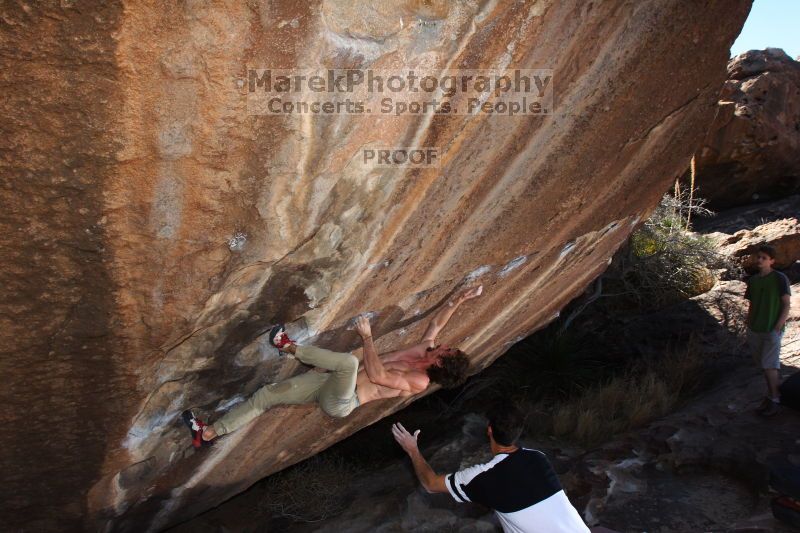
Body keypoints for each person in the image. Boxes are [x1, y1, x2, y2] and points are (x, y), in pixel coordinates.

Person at [182, 285, 483, 448]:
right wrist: (459, 298)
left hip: (343, 400)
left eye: (446, 349)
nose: (443, 344)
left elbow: (377, 374)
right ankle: (208, 433)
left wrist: (367, 338)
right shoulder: (426, 349)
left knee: (349, 362)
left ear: (440, 361)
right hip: (331, 384)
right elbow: (435, 323)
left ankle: (287, 345)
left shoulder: (418, 381)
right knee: (267, 395)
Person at [392, 401, 590, 533]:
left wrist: (412, 450)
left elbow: (430, 484)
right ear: (518, 431)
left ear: (489, 430)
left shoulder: (484, 477)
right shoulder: (538, 458)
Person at [744, 244, 792, 417]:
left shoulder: (779, 278)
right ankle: (772, 395)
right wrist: (748, 324)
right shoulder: (754, 281)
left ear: (772, 261)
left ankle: (775, 399)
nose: (760, 260)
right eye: (759, 257)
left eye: (764, 258)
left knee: (769, 365)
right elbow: (751, 304)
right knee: (764, 366)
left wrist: (778, 326)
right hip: (755, 329)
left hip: (771, 329)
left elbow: (786, 303)